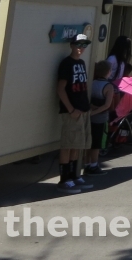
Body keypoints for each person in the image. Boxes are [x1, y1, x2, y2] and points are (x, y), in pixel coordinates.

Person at [56, 33, 94, 194]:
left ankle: (73, 175)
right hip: (71, 112)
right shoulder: (66, 63)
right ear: (72, 45)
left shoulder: (82, 63)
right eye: (78, 45)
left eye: (84, 45)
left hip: (83, 110)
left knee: (77, 145)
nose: (81, 48)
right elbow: (60, 89)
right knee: (68, 145)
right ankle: (64, 179)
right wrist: (71, 109)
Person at [84, 61, 116, 176]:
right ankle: (94, 165)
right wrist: (95, 112)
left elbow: (88, 100)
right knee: (96, 143)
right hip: (101, 118)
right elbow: (107, 105)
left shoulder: (91, 83)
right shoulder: (109, 86)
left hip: (89, 117)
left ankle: (87, 164)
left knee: (88, 142)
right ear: (108, 72)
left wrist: (91, 111)